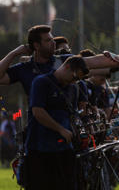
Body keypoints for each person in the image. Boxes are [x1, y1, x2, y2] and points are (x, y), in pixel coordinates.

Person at [0, 25, 119, 97]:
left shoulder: (64, 61)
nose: (53, 43)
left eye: (53, 40)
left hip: (65, 125)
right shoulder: (24, 68)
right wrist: (13, 54)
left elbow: (95, 61)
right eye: (48, 41)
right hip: (39, 129)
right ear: (36, 45)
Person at [25, 55, 89, 190]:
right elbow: (38, 112)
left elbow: (72, 114)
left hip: (64, 147)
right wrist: (61, 129)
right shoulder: (41, 82)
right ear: (67, 67)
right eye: (74, 77)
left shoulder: (71, 88)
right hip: (39, 148)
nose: (74, 82)